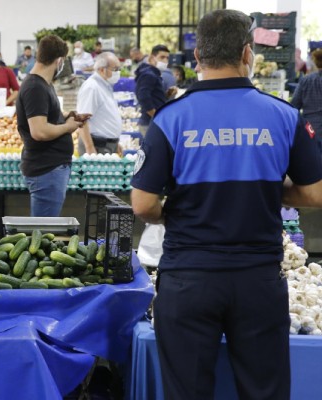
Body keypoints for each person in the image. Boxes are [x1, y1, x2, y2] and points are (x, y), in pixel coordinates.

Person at [131, 9, 322, 400]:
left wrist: (176, 209)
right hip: (258, 280)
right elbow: (315, 193)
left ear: (197, 56)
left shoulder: (170, 120)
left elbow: (142, 204)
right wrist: (267, 190)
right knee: (264, 391)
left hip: (188, 278)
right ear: (248, 54)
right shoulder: (283, 117)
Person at [16, 34, 86, 217]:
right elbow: (39, 131)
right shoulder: (35, 87)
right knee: (43, 231)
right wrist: (68, 127)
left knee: (45, 228)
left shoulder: (43, 84)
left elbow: (45, 116)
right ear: (60, 60)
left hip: (51, 168)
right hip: (45, 169)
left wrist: (67, 116)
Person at [76, 52, 123, 154]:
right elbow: (81, 119)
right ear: (102, 69)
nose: (118, 73)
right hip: (96, 146)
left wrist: (115, 143)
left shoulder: (104, 85)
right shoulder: (92, 87)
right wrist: (89, 148)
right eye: (115, 69)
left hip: (107, 145)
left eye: (119, 69)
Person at [134, 44, 175, 134]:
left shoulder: (154, 73)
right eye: (162, 57)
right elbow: (143, 96)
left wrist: (166, 95)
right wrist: (156, 116)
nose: (165, 61)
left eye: (167, 58)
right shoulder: (149, 74)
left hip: (151, 122)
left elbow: (153, 97)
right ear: (152, 58)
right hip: (149, 123)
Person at [291, 48, 322, 136]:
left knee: (313, 148)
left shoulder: (305, 80)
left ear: (315, 62)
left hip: (310, 128)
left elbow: (294, 105)